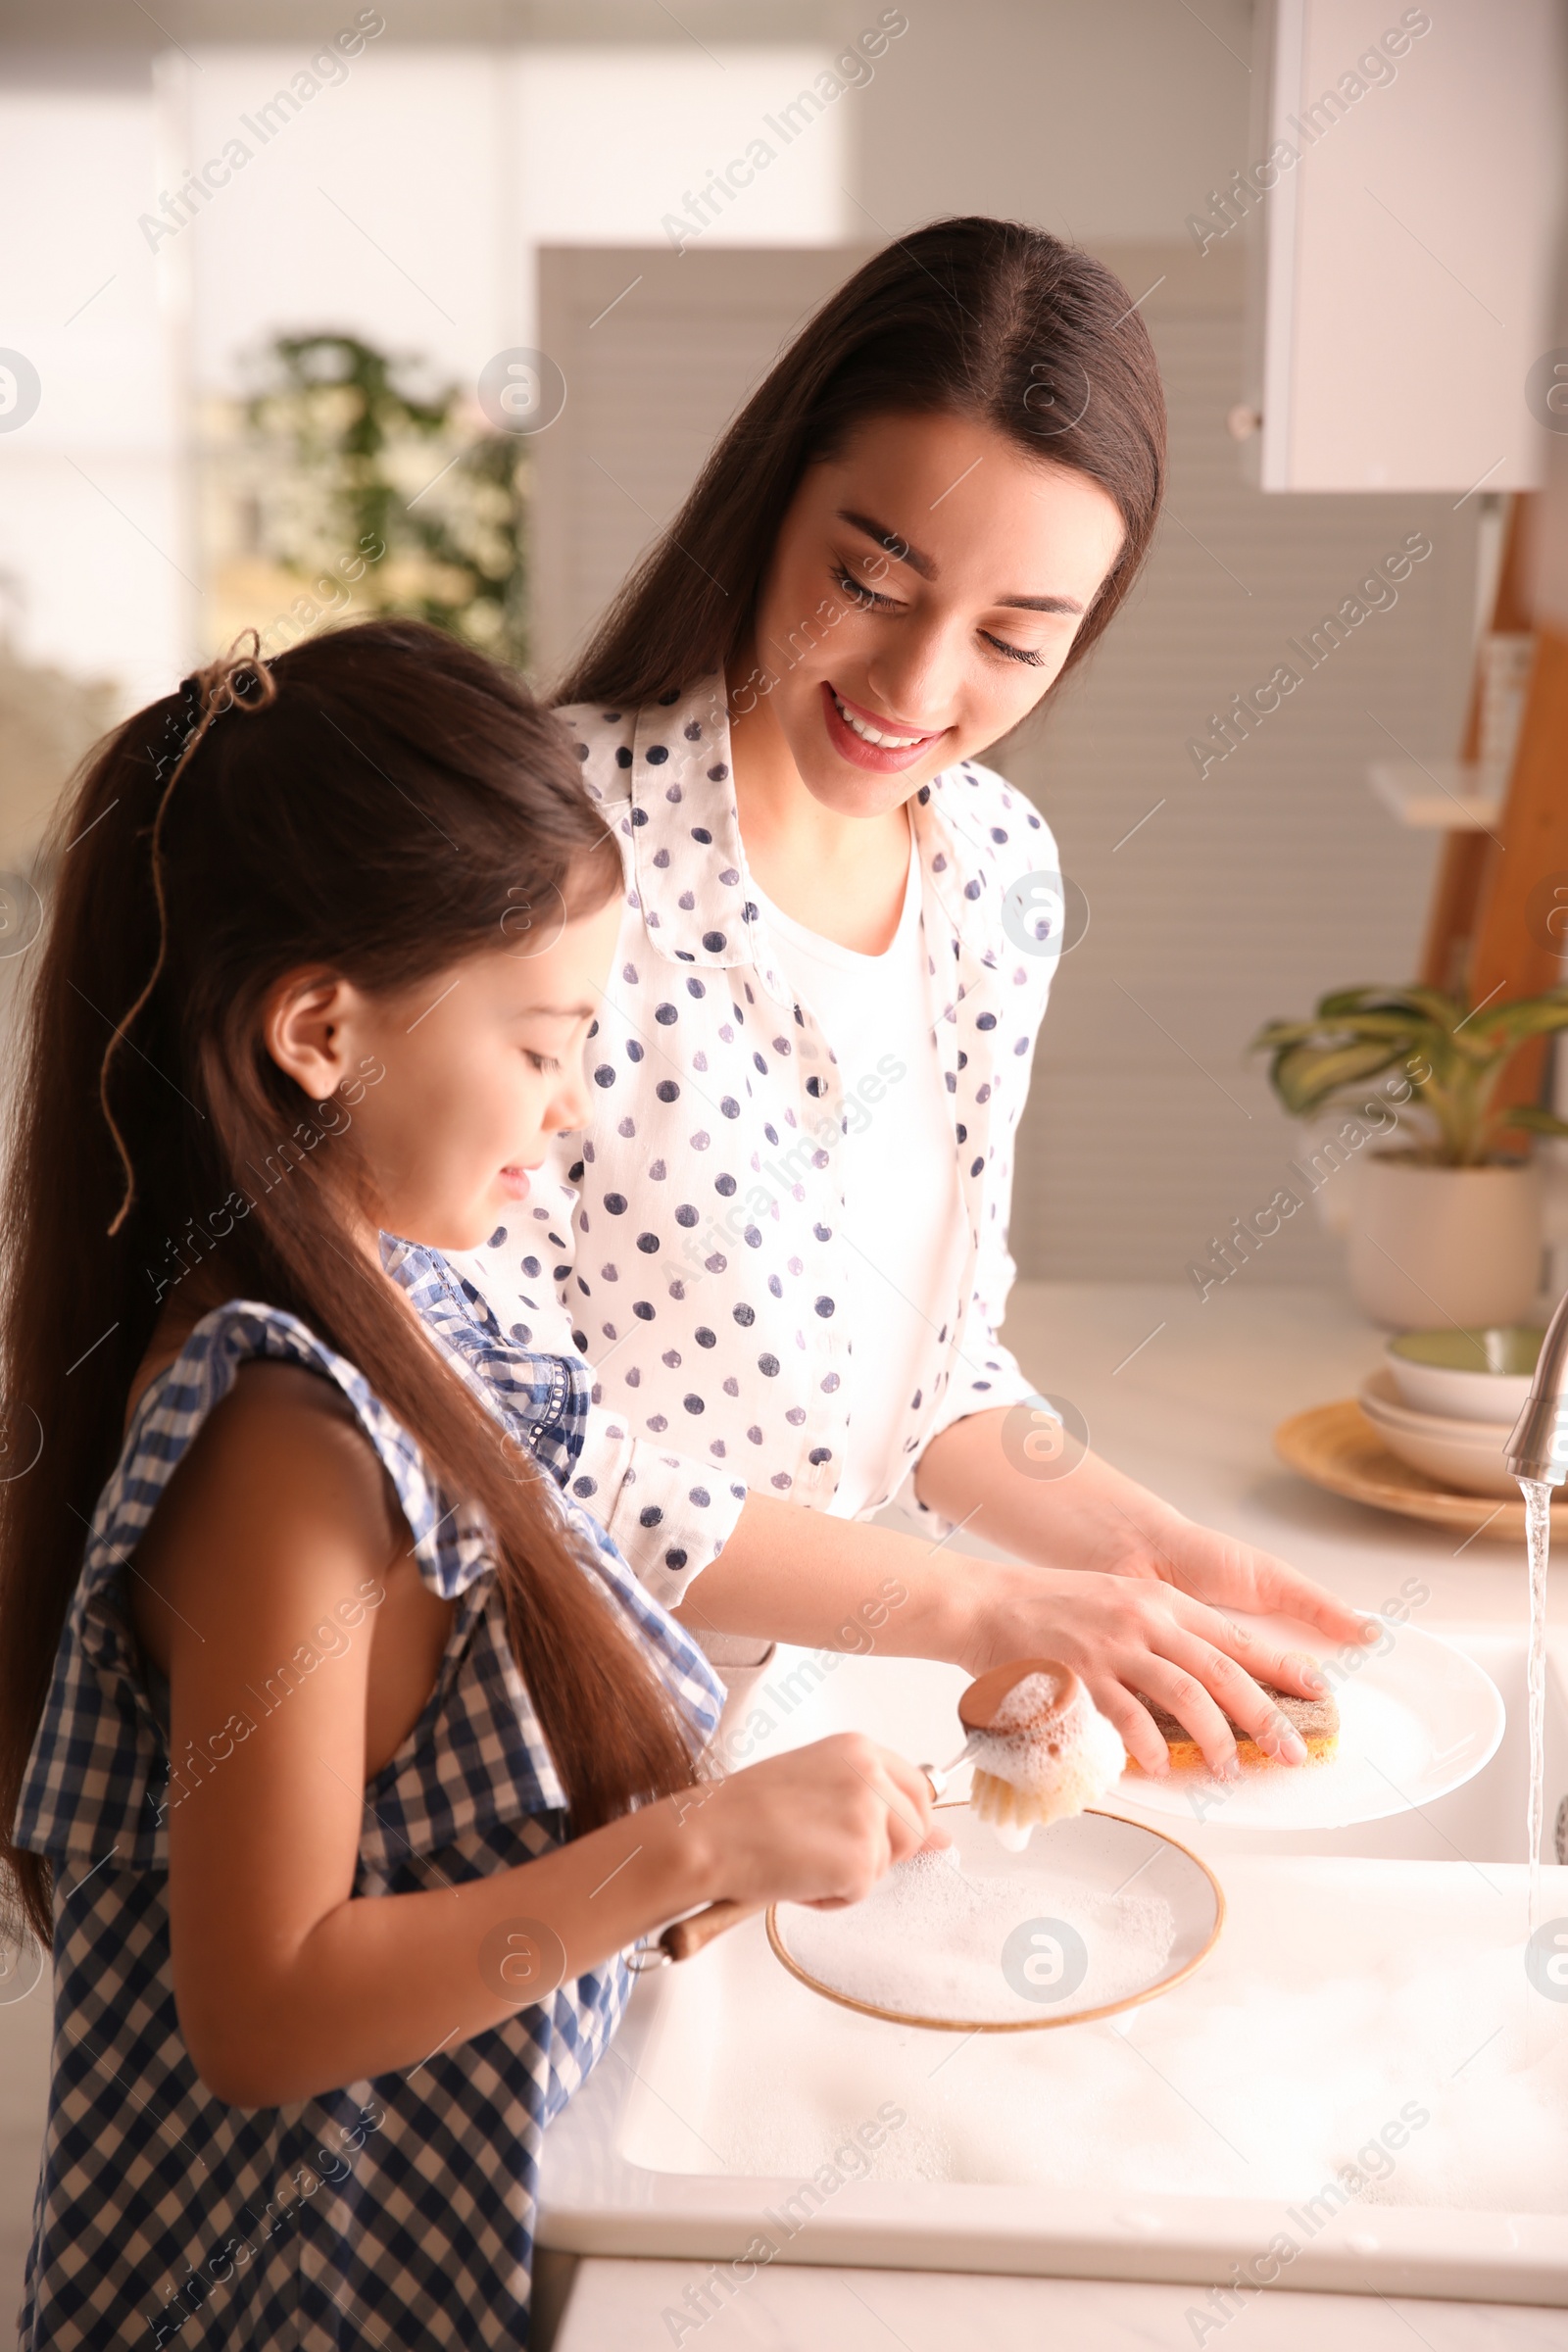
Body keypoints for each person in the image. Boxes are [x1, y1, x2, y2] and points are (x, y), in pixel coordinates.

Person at [0, 621, 941, 2351]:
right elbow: (265, 2013)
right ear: (317, 1031)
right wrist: (696, 1841)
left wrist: (981, 1616)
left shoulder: (411, 1301)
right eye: (541, 1046)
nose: (572, 1111)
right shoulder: (281, 1448)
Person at [464, 216, 1374, 1773]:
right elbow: (495, 1426)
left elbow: (930, 1386)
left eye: (1018, 640)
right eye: (871, 582)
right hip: (520, 1734)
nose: (917, 689)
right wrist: (972, 1613)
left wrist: (1150, 1557)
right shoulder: (543, 860)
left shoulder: (998, 873)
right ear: (771, 504)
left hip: (790, 1733)